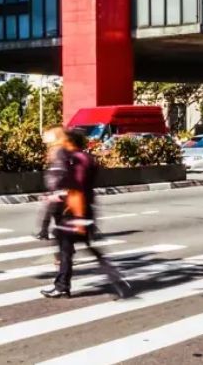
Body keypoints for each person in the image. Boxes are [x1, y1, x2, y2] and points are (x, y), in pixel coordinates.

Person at [42, 127, 131, 299]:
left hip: (75, 212)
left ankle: (62, 286)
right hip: (82, 210)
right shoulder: (86, 158)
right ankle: (116, 279)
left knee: (66, 249)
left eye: (63, 140)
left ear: (69, 142)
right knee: (82, 248)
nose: (60, 143)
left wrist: (78, 218)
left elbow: (78, 189)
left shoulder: (77, 159)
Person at [35, 128, 68, 240]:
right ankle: (56, 234)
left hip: (58, 188)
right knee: (55, 212)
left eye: (48, 134)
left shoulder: (59, 150)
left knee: (51, 210)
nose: (45, 136)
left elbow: (59, 170)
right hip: (56, 188)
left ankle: (46, 232)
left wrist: (55, 189)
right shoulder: (57, 149)